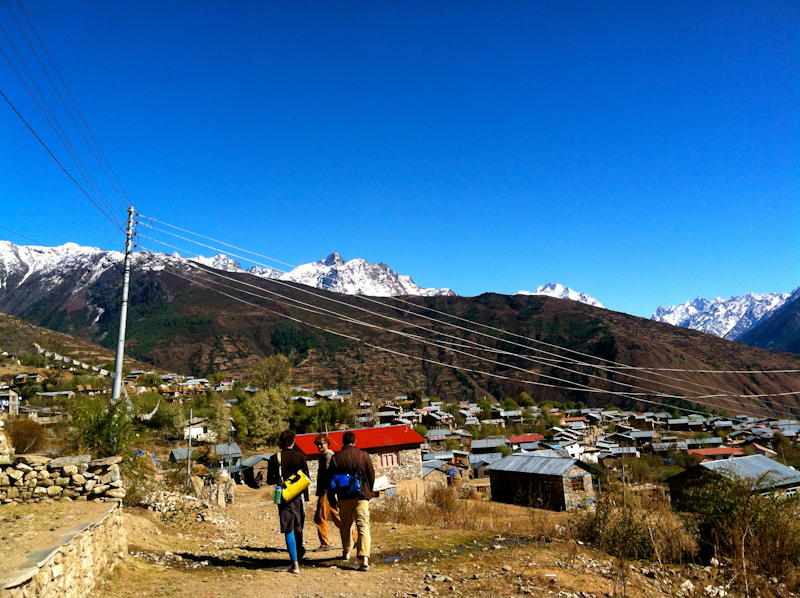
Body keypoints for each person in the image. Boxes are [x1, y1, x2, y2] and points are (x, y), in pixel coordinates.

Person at [328, 431, 375, 571]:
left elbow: (330, 479)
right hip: (361, 496)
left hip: (343, 496)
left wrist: (332, 498)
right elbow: (371, 474)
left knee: (346, 525)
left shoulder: (335, 458)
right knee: (363, 526)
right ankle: (364, 558)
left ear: (343, 442)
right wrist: (369, 490)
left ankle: (347, 552)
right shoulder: (363, 455)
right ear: (355, 441)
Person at [266, 429, 309, 574]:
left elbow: (269, 480)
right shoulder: (300, 456)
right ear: (293, 441)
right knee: (298, 525)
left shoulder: (274, 458)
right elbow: (306, 479)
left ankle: (294, 563)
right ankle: (300, 551)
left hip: (283, 497)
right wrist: (306, 497)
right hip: (297, 496)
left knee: (288, 528)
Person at [312, 433, 345, 550]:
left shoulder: (327, 456)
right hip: (330, 491)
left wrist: (325, 492)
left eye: (322, 444)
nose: (320, 446)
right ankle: (354, 538)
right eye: (318, 444)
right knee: (337, 517)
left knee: (320, 517)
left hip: (326, 491)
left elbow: (328, 475)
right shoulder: (328, 455)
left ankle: (325, 543)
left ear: (327, 443)